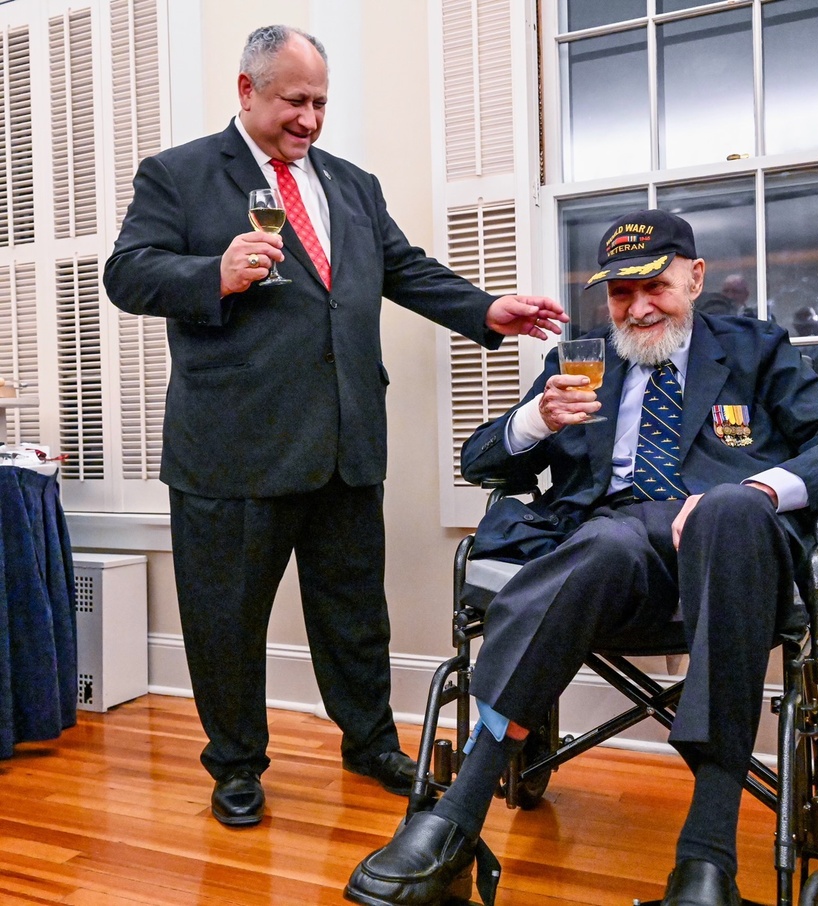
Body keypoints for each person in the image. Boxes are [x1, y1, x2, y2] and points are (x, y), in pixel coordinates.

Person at [345, 209, 818, 906]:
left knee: (729, 507)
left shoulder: (756, 350)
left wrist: (758, 489)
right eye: (619, 294)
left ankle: (706, 860)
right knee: (607, 538)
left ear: (695, 279)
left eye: (655, 288)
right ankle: (457, 821)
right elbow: (479, 459)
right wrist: (533, 421)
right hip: (607, 554)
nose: (637, 309)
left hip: (724, 551)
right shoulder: (579, 364)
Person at [102, 24, 567, 828]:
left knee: (355, 614)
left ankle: (370, 742)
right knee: (226, 624)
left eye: (320, 102)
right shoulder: (177, 175)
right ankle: (237, 766)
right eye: (294, 100)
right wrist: (211, 273)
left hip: (348, 442)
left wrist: (485, 309)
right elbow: (127, 273)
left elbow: (405, 269)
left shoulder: (351, 185)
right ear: (247, 91)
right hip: (233, 447)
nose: (309, 118)